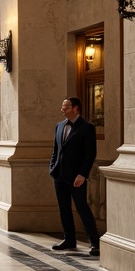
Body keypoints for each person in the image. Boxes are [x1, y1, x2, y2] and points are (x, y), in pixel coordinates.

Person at [49, 96, 101, 256]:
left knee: (82, 208)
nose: (62, 110)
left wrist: (83, 174)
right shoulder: (59, 126)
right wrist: (52, 168)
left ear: (75, 108)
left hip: (76, 177)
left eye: (65, 107)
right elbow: (56, 150)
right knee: (64, 209)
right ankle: (69, 239)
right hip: (59, 175)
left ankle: (95, 243)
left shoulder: (87, 128)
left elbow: (90, 154)